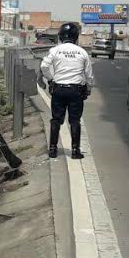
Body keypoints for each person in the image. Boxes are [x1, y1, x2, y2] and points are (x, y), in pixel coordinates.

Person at [40, 22, 94, 159]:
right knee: (75, 120)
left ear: (60, 36)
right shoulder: (82, 52)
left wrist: (51, 80)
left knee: (56, 120)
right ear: (76, 37)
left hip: (58, 89)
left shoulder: (55, 50)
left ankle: (52, 149)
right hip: (76, 91)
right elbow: (89, 75)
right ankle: (75, 151)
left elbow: (44, 66)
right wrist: (88, 88)